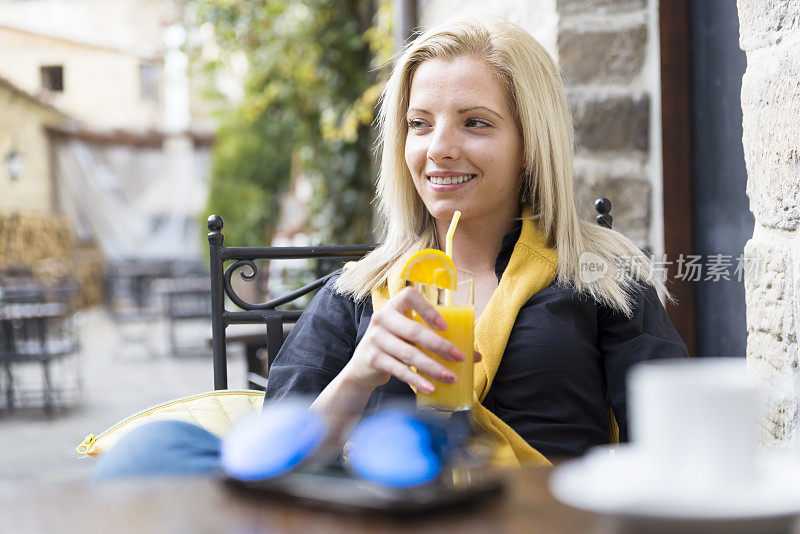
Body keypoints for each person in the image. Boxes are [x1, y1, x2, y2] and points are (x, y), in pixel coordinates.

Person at [94, 18, 686, 480]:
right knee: (151, 451)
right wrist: (359, 376)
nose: (439, 149)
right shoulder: (357, 292)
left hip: (543, 519)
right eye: (419, 124)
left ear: (531, 142)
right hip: (395, 514)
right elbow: (273, 460)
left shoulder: (601, 278)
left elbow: (675, 445)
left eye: (475, 123)